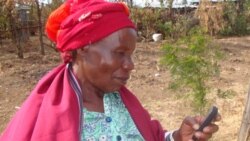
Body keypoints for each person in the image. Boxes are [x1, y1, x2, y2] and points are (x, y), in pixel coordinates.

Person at [0, 0, 220, 141]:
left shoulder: (121, 102)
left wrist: (179, 137)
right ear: (84, 49)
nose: (130, 64)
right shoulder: (45, 116)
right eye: (120, 53)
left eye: (131, 54)